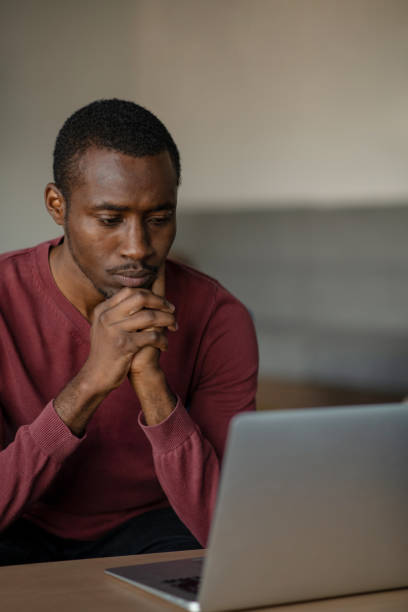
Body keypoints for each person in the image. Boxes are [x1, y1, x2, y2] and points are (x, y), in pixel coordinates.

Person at [0, 99, 258, 565]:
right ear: (57, 205)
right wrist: (91, 384)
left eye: (159, 220)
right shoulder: (4, 301)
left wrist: (152, 386)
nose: (138, 248)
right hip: (20, 526)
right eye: (110, 220)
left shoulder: (220, 318)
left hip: (153, 531)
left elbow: (229, 527)